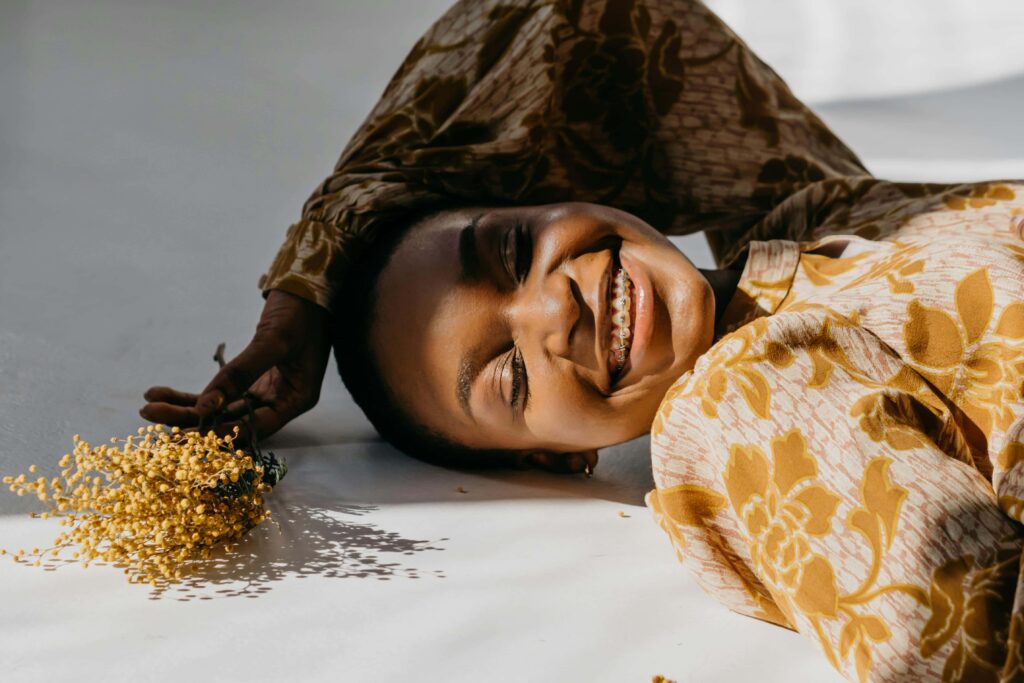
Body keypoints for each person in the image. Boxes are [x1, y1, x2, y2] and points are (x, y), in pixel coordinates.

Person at [138, 0, 1024, 679]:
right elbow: (971, 646)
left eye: (516, 249)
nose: (550, 315)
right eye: (510, 377)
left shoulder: (814, 210)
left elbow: (587, 16)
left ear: (553, 186)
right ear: (559, 460)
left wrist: (313, 276)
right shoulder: (737, 402)